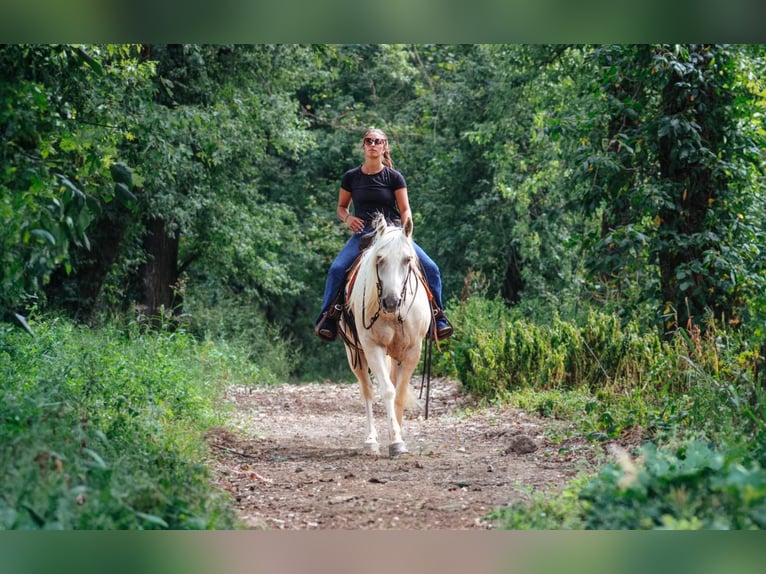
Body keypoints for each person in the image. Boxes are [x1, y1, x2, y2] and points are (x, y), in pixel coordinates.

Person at [315, 127, 453, 342]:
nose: (373, 144)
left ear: (384, 147)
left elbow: (405, 209)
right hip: (365, 233)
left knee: (431, 268)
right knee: (337, 269)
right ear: (363, 146)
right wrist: (348, 219)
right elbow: (341, 207)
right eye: (369, 141)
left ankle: (437, 317)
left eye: (378, 141)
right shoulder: (351, 177)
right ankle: (329, 318)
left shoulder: (394, 177)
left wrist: (406, 231)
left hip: (393, 233)